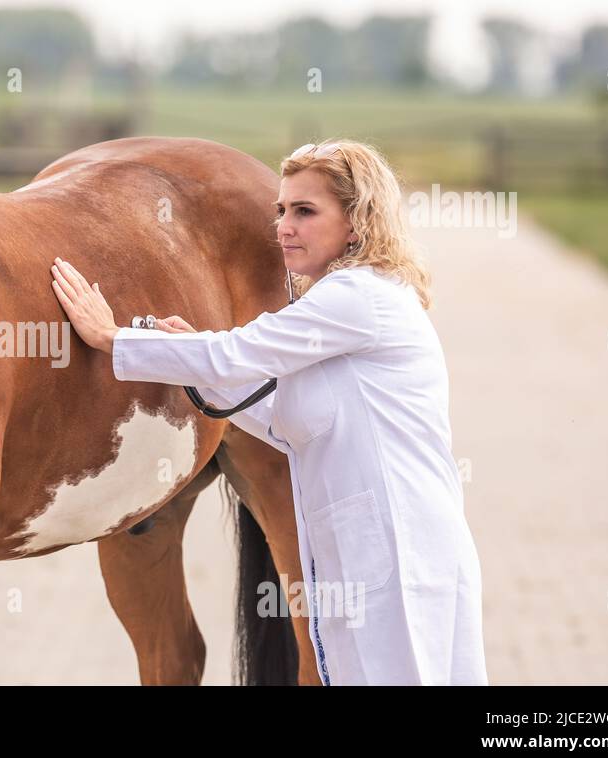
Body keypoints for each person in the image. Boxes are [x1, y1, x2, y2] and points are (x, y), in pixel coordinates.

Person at [50, 140, 488, 685]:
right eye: (281, 210)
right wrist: (195, 363)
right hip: (361, 554)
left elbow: (235, 353)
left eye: (305, 211)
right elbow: (276, 414)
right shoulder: (344, 300)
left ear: (357, 222)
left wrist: (113, 338)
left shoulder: (358, 296)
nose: (283, 226)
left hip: (401, 552)